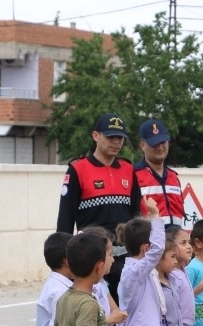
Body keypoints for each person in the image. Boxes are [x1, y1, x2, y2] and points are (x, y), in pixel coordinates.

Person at [55, 112, 141, 299]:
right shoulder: (78, 169)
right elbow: (65, 219)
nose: (116, 142)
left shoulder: (128, 169)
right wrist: (64, 263)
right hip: (91, 259)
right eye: (111, 137)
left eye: (120, 138)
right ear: (96, 136)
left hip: (125, 260)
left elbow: (136, 216)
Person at [135, 118, 185, 227]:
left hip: (175, 241)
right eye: (155, 143)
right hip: (150, 240)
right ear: (142, 145)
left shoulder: (174, 177)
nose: (160, 147)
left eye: (163, 142)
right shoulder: (134, 175)